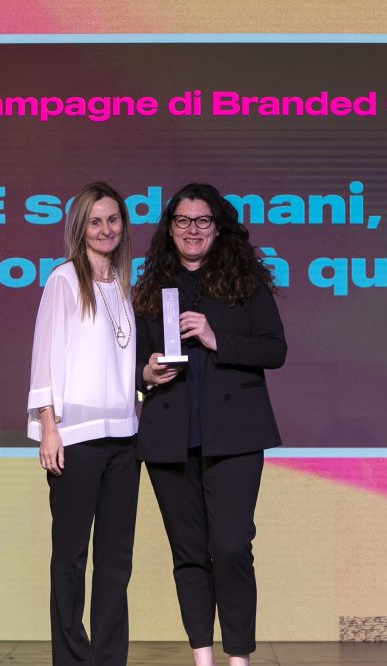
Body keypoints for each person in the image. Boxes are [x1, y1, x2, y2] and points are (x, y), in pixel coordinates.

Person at [133, 183, 286, 666]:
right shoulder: (149, 288)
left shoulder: (245, 282)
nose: (193, 230)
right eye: (183, 221)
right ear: (170, 228)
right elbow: (129, 362)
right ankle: (202, 657)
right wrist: (145, 373)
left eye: (202, 221)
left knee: (232, 545)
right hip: (169, 439)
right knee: (189, 552)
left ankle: (238, 657)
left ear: (218, 228)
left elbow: (275, 349)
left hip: (235, 437)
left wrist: (218, 339)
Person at [27, 182, 139, 666]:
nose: (105, 229)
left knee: (115, 561)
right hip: (75, 438)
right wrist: (48, 427)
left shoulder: (126, 284)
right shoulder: (64, 280)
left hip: (125, 439)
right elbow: (44, 358)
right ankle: (73, 658)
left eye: (112, 220)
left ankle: (109, 658)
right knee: (71, 558)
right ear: (80, 227)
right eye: (95, 221)